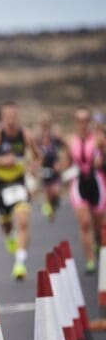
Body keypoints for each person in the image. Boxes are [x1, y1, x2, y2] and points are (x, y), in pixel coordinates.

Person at [0, 101, 39, 280]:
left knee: (22, 221)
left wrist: (33, 168)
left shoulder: (25, 135)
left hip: (19, 182)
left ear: (17, 116)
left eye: (14, 116)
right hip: (1, 185)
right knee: (6, 225)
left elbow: (38, 158)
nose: (11, 120)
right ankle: (8, 237)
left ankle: (20, 263)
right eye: (7, 117)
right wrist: (2, 161)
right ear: (3, 118)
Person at [65, 107, 106, 273]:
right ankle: (90, 260)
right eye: (79, 121)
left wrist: (102, 156)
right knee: (84, 223)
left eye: (85, 121)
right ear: (76, 123)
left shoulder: (98, 139)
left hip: (97, 182)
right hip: (79, 183)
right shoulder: (70, 141)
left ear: (89, 122)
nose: (82, 124)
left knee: (98, 225)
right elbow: (67, 163)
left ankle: (97, 241)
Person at [35, 112, 66, 221]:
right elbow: (33, 155)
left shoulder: (55, 138)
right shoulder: (37, 140)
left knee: (55, 191)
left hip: (55, 170)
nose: (44, 127)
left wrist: (61, 162)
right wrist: (35, 166)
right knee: (48, 192)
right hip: (44, 170)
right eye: (42, 125)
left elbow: (66, 149)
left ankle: (54, 203)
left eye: (46, 125)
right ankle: (50, 208)